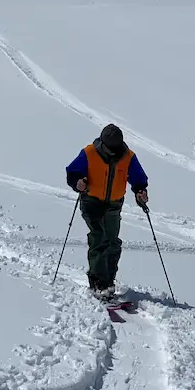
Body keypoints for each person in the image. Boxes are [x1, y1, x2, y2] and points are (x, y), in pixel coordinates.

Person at [65, 123, 149, 298]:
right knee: (99, 238)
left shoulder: (128, 156)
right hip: (91, 201)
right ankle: (97, 282)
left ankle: (108, 281)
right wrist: (77, 183)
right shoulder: (89, 153)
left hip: (114, 204)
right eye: (110, 148)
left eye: (116, 147)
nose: (113, 151)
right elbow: (73, 172)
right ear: (103, 143)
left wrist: (141, 191)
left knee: (113, 242)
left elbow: (138, 178)